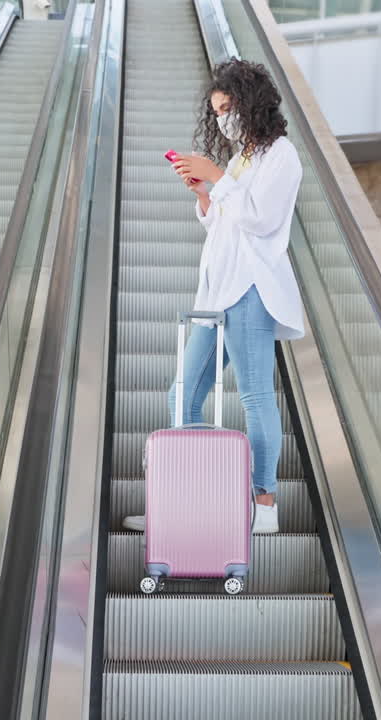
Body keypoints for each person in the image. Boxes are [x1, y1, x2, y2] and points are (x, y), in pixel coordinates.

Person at [123, 59, 305, 536]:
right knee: (182, 395)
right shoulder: (243, 158)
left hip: (250, 290)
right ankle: (191, 502)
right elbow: (225, 226)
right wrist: (206, 194)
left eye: (229, 107)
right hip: (217, 291)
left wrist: (218, 179)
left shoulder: (281, 155)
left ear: (252, 103)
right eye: (217, 110)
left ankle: (264, 505)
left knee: (255, 396)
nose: (223, 118)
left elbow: (263, 222)